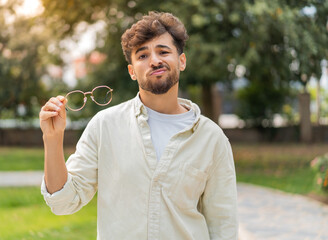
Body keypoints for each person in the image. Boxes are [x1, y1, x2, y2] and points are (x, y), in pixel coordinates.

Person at [39, 11, 238, 240]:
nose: (154, 61)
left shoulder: (212, 139)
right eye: (142, 56)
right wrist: (52, 139)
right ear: (132, 71)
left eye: (163, 51)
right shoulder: (105, 127)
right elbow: (63, 202)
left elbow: (223, 226)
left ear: (181, 61)